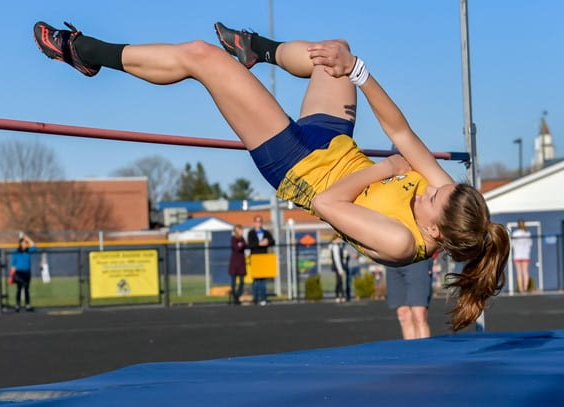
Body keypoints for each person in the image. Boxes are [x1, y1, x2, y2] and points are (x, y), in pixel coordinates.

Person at [33, 20, 510, 331]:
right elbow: (400, 130)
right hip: (334, 143)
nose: (431, 186)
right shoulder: (446, 199)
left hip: (295, 164)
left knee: (202, 56)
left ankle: (85, 52)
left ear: (433, 230)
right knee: (335, 50)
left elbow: (329, 206)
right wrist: (359, 72)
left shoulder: (403, 243)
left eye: (433, 197)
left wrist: (386, 167)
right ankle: (258, 50)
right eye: (440, 185)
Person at [386, 259, 433, 339]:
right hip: (391, 261)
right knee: (403, 314)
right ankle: (411, 350)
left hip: (417, 259)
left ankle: (424, 350)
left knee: (419, 314)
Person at [247, 216, 275, 305]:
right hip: (255, 258)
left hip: (263, 258)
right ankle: (255, 299)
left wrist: (267, 242)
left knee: (263, 280)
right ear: (254, 222)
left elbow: (273, 241)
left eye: (260, 221)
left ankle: (263, 298)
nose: (258, 223)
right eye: (257, 221)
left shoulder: (266, 233)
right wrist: (259, 243)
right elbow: (250, 244)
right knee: (255, 280)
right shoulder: (251, 233)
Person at [10, 234, 37, 312]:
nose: (26, 244)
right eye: (24, 243)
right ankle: (17, 305)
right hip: (19, 273)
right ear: (21, 243)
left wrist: (28, 239)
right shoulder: (16, 252)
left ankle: (27, 305)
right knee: (19, 289)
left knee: (26, 289)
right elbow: (13, 265)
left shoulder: (28, 250)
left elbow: (35, 247)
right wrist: (11, 275)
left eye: (26, 243)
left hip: (27, 272)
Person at [512, 219, 533, 293]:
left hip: (518, 255)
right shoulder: (528, 233)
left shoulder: (515, 234)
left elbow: (513, 244)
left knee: (519, 273)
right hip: (525, 255)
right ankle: (525, 288)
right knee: (525, 272)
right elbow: (530, 244)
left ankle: (521, 289)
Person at [228, 225, 247, 305]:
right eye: (240, 230)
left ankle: (237, 296)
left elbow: (245, 245)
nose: (241, 231)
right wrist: (240, 245)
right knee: (233, 282)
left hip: (241, 263)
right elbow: (237, 248)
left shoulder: (242, 239)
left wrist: (241, 244)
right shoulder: (233, 239)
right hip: (234, 263)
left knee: (242, 282)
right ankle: (235, 297)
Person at [329, 235, 350, 302]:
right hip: (337, 266)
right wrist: (340, 269)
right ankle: (339, 296)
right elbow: (337, 259)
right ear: (336, 239)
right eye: (339, 239)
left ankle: (339, 296)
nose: (340, 240)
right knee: (339, 281)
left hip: (339, 266)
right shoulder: (335, 247)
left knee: (339, 281)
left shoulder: (338, 246)